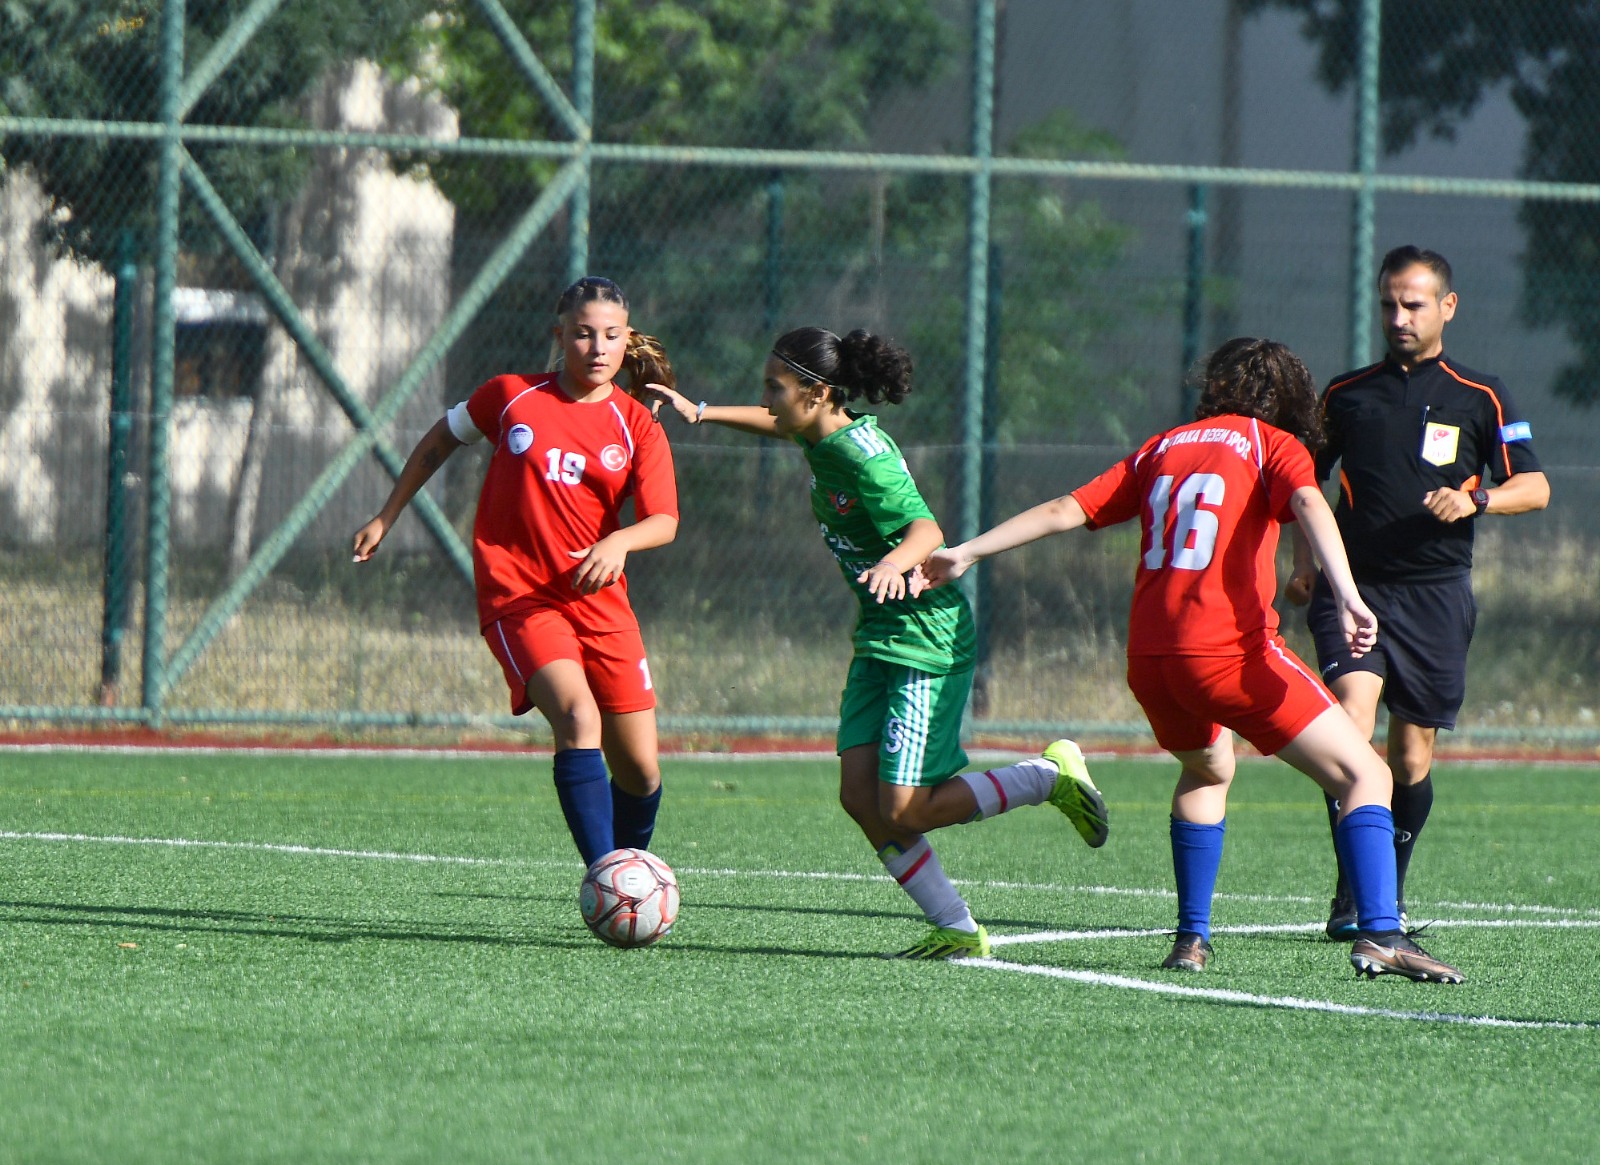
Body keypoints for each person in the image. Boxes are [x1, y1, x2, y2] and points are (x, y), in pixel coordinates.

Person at [925, 337, 1464, 983]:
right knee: (1367, 777)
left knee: (1209, 769)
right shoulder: (1274, 444)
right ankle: (1381, 932)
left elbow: (1067, 508)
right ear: (1288, 397)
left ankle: (1191, 940)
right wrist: (1347, 595)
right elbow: (1311, 503)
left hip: (1151, 659)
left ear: (1215, 386)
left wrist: (968, 551)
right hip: (1227, 653)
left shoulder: (1165, 445)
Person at [644, 327, 1109, 960]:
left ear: (817, 393)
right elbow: (779, 425)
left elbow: (926, 527)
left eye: (773, 388)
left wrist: (895, 563)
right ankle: (954, 927)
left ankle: (1047, 776)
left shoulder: (863, 456)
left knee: (905, 808)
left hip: (925, 639)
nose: (767, 398)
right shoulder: (816, 430)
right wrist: (701, 411)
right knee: (860, 798)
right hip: (880, 636)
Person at [353, 276, 680, 868]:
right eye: (582, 334)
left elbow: (663, 521)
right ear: (559, 336)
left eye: (610, 336)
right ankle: (607, 876)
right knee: (578, 718)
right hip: (521, 596)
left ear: (626, 339)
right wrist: (387, 514)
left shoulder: (637, 425)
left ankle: (631, 882)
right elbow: (439, 441)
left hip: (601, 603)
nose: (598, 348)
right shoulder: (510, 396)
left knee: (639, 769)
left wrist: (620, 542)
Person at [1285, 246, 1550, 939]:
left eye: (1413, 304)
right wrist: (1304, 561)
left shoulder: (1482, 395)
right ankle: (1354, 890)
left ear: (1447, 307)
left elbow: (1537, 485)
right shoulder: (1346, 395)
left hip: (1436, 595)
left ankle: (1388, 887)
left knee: (1410, 758)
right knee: (1348, 723)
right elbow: (1302, 487)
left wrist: (1478, 501)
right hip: (1356, 589)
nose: (1398, 317)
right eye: (1387, 305)